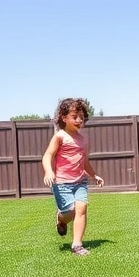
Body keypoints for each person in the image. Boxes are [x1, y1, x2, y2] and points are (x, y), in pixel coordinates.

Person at [42, 97, 104, 256]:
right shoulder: (60, 136)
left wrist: (94, 175)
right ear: (64, 118)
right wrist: (49, 172)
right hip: (62, 182)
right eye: (74, 117)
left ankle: (77, 244)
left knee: (81, 209)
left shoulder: (83, 140)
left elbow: (85, 162)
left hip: (80, 181)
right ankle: (61, 219)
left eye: (82, 117)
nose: (79, 120)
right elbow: (47, 155)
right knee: (70, 212)